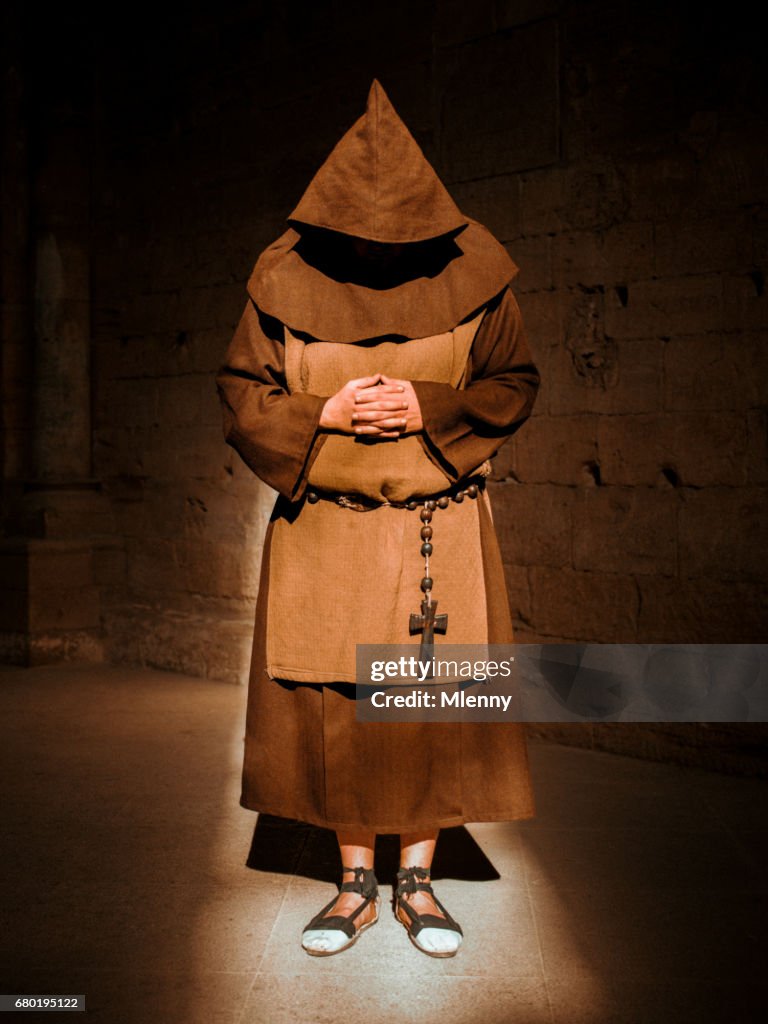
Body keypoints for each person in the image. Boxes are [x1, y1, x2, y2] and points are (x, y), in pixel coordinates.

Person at [216, 79, 540, 958]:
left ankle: (419, 883)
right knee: (342, 710)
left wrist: (428, 405)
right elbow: (244, 394)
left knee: (426, 706)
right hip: (326, 526)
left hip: (435, 526)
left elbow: (513, 385)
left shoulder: (479, 279)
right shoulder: (283, 276)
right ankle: (355, 881)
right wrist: (320, 415)